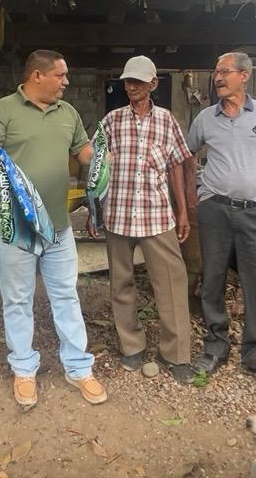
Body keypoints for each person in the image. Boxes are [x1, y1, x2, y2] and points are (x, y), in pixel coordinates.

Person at [0, 49, 107, 408]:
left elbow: (83, 151)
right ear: (37, 76)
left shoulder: (68, 113)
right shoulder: (3, 110)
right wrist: (6, 171)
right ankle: (23, 368)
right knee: (17, 299)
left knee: (66, 295)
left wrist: (102, 157)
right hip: (16, 227)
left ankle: (78, 368)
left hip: (58, 227)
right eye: (60, 75)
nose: (66, 82)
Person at [186, 52, 256, 387]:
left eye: (225, 71)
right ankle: (215, 346)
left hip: (255, 211)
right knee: (213, 279)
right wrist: (194, 195)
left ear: (244, 76)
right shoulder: (205, 118)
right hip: (215, 210)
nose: (218, 78)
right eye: (216, 72)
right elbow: (187, 155)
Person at [87, 56, 195, 383]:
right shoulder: (111, 121)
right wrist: (93, 210)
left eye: (138, 81)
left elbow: (177, 165)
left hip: (157, 215)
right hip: (118, 214)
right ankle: (131, 346)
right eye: (128, 81)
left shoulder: (167, 120)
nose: (131, 86)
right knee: (121, 283)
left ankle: (175, 354)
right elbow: (95, 168)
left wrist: (183, 211)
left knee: (172, 283)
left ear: (153, 84)